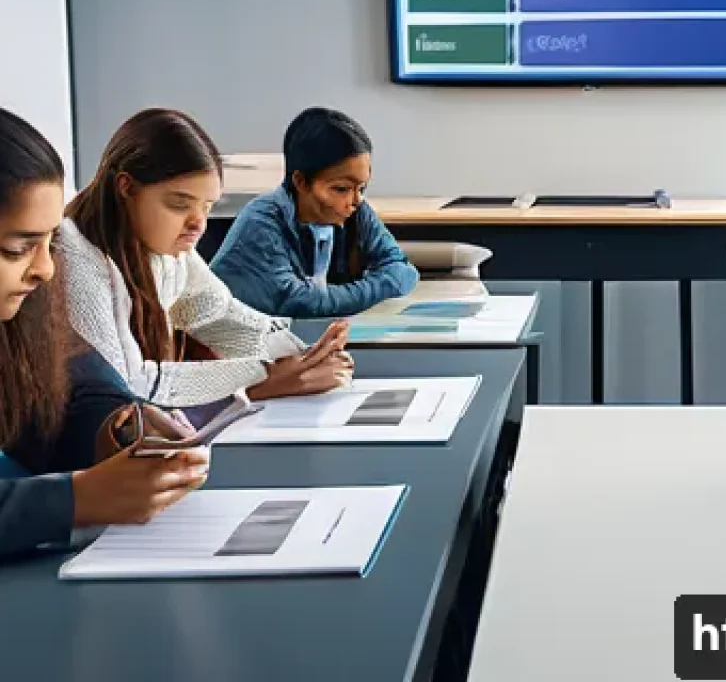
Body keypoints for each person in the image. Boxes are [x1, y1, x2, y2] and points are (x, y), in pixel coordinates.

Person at [0, 108, 208, 561]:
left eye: (49, 243)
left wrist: (118, 423)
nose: (46, 269)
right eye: (17, 249)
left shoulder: (22, 309)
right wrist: (77, 500)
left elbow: (76, 378)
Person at [59, 109, 353, 408]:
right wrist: (266, 375)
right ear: (127, 188)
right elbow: (124, 385)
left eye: (207, 207)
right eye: (178, 204)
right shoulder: (76, 261)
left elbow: (216, 314)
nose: (198, 224)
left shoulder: (164, 251)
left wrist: (303, 357)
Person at [210, 107, 418, 318]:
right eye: (341, 189)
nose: (356, 200)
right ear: (300, 182)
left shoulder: (355, 209)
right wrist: (379, 284)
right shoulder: (261, 223)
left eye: (362, 188)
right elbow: (300, 303)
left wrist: (333, 297)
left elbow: (404, 272)